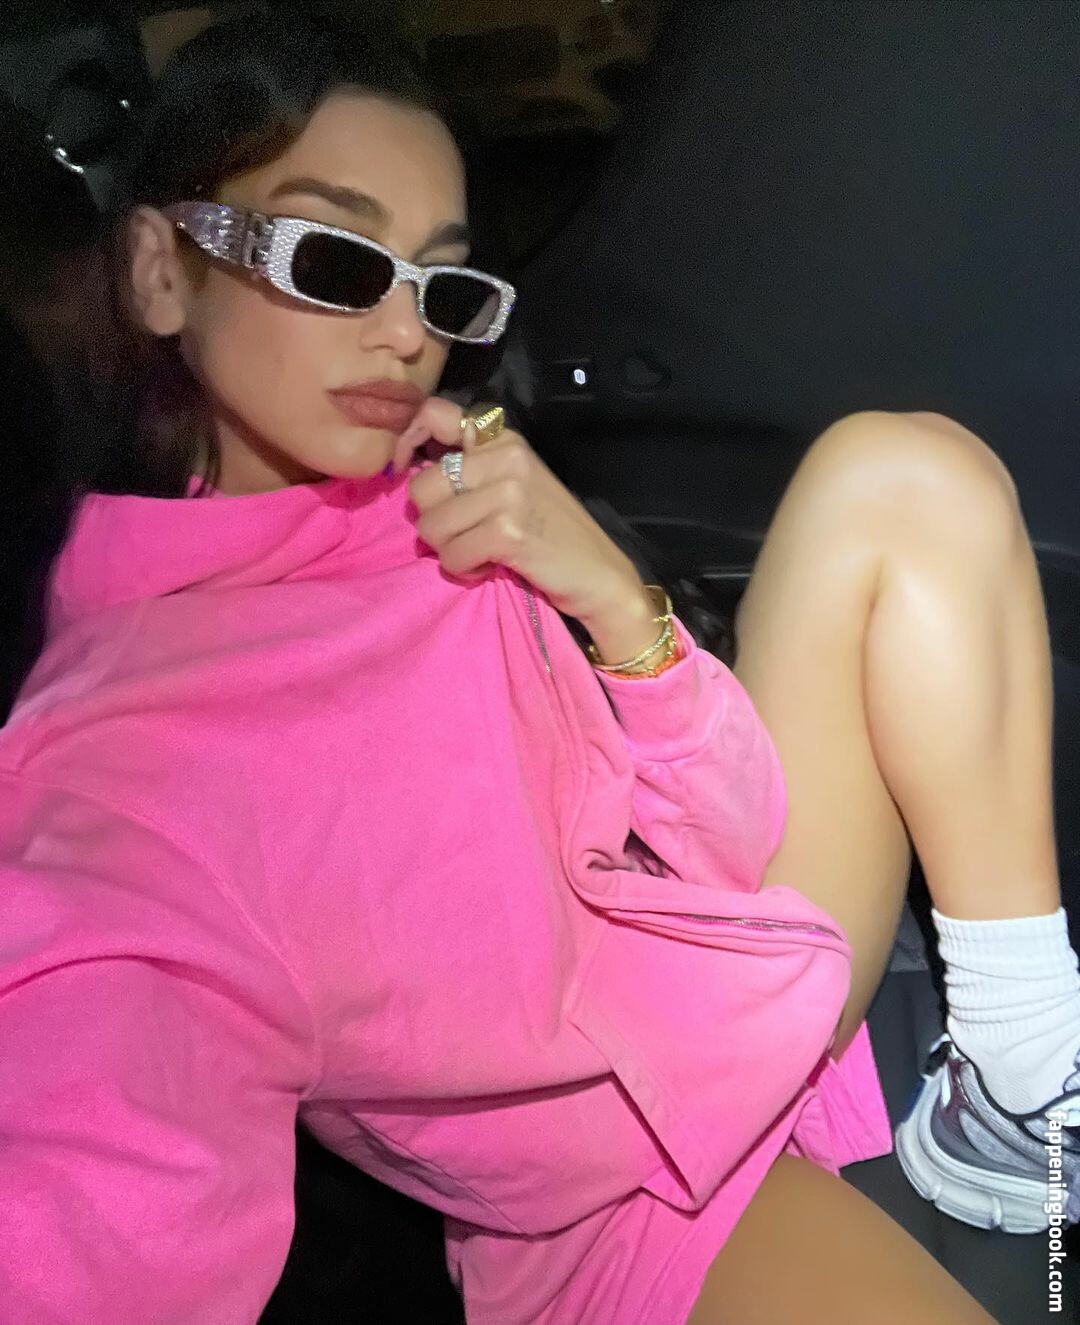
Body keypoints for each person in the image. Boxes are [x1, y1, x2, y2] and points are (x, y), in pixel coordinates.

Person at [0, 11, 1075, 1325]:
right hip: (634, 1194)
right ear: (162, 271)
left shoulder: (439, 498)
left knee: (905, 472)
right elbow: (85, 1196)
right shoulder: (116, 774)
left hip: (738, 956)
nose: (406, 333)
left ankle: (1019, 1089)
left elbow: (721, 821)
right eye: (335, 258)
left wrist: (614, 599)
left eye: (441, 285)